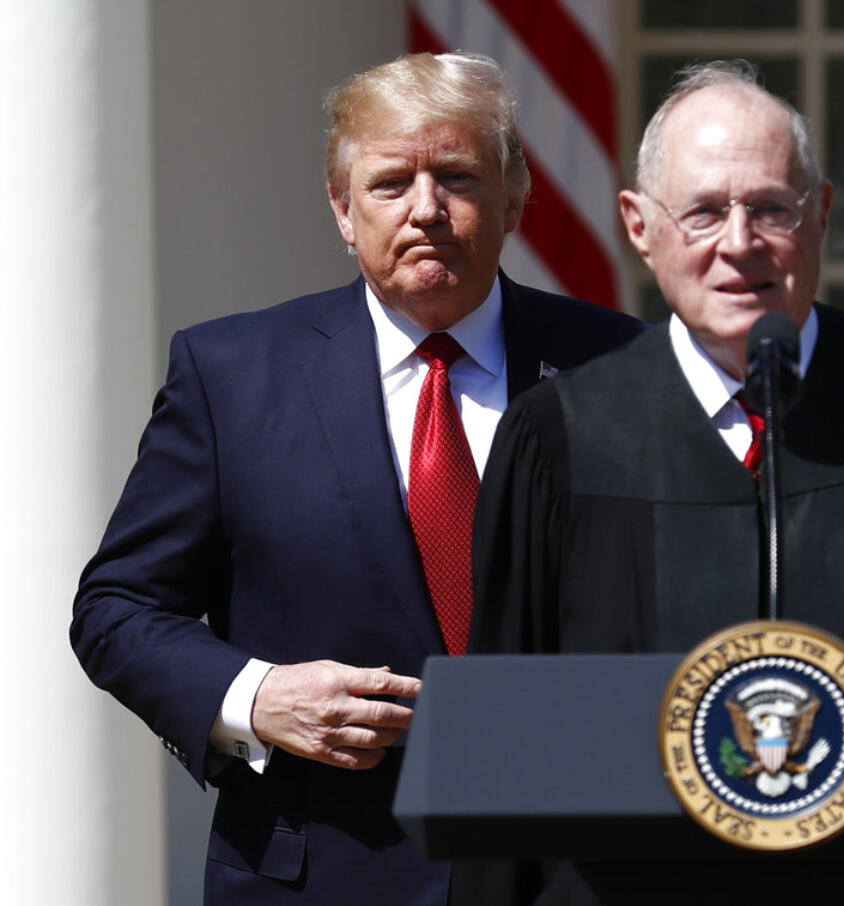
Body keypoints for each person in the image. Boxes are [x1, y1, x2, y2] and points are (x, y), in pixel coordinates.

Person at [462, 62, 844, 903]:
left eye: (771, 208)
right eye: (705, 211)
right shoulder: (559, 439)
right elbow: (506, 749)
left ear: (820, 215)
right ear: (640, 228)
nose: (740, 242)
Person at [70, 52, 642, 905]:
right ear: (342, 209)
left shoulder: (621, 367)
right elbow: (117, 609)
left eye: (457, 177)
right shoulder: (231, 374)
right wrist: (258, 696)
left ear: (516, 199)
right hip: (318, 871)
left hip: (571, 872)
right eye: (389, 184)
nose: (426, 210)